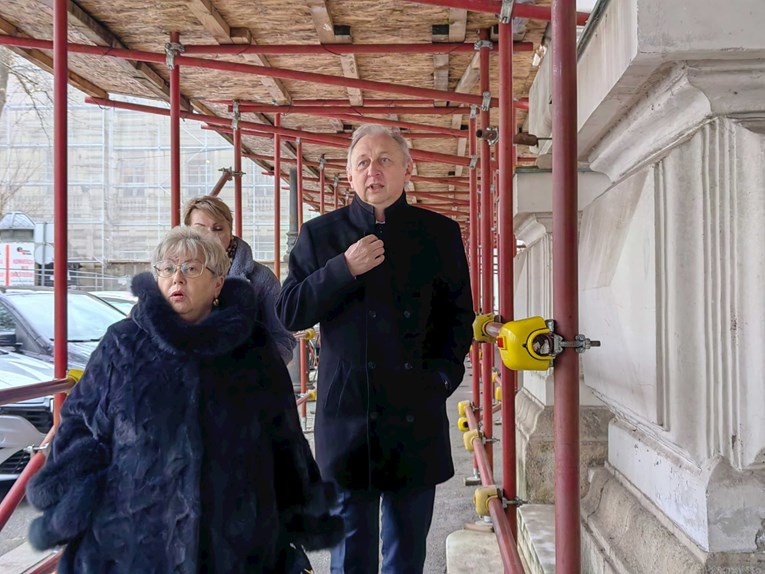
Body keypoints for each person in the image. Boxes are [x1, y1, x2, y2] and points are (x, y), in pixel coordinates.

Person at [26, 226, 342, 574]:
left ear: (218, 283)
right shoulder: (122, 344)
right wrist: (77, 504)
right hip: (134, 541)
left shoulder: (253, 349)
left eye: (191, 268)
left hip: (237, 540)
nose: (177, 277)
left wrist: (301, 518)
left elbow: (284, 439)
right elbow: (80, 427)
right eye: (167, 268)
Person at [275, 124, 474, 573]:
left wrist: (442, 379)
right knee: (350, 555)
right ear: (349, 174)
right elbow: (289, 312)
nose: (374, 170)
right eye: (363, 162)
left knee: (407, 552)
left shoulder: (438, 233)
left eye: (385, 159)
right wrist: (343, 268)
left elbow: (459, 316)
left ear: (408, 169)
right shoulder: (320, 235)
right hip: (348, 417)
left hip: (415, 411)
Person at [183, 195, 296, 363]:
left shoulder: (261, 279)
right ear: (187, 232)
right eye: (200, 228)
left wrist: (253, 366)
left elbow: (283, 338)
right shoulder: (171, 276)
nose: (210, 236)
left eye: (218, 228)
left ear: (230, 231)